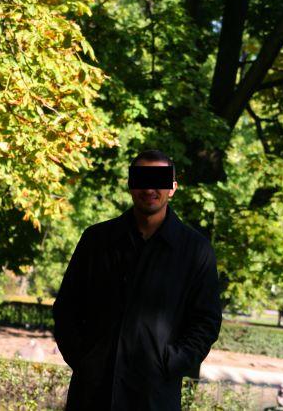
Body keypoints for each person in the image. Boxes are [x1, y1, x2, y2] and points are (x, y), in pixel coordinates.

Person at [53, 150, 222, 410]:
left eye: (159, 180)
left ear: (172, 188)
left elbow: (206, 321)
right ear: (131, 184)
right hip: (91, 393)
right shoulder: (96, 240)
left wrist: (172, 363)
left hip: (154, 396)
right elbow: (67, 307)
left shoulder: (196, 251)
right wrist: (85, 360)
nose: (150, 188)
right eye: (143, 179)